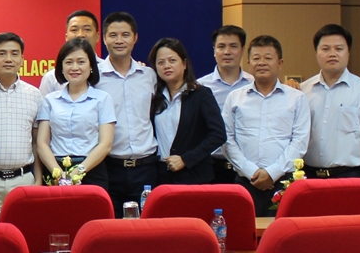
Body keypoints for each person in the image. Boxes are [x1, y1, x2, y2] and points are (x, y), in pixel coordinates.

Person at [223, 35, 311, 216]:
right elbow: (226, 139)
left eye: (268, 58)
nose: (261, 63)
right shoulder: (235, 98)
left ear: (280, 63)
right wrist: (251, 171)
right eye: (256, 58)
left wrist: (272, 173)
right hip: (245, 180)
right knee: (244, 230)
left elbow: (299, 141)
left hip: (283, 181)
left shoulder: (296, 98)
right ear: (248, 63)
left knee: (283, 230)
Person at [93, 12, 162, 211]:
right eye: (113, 35)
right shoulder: (94, 77)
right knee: (110, 224)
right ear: (104, 38)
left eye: (125, 35)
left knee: (146, 226)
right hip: (109, 166)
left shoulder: (149, 75)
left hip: (146, 168)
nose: (119, 40)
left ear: (135, 38)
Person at [300, 24, 360, 181]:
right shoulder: (303, 91)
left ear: (348, 53)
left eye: (339, 49)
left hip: (350, 174)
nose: (332, 54)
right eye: (325, 49)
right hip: (310, 175)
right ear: (317, 53)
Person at [0, 32, 42, 219]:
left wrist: (38, 180)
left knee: (26, 232)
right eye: (2, 53)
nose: (8, 59)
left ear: (22, 59)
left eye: (14, 53)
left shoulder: (34, 94)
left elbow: (37, 142)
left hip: (24, 180)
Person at [35, 38, 116, 188]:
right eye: (69, 62)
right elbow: (42, 143)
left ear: (91, 66)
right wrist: (58, 174)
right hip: (55, 171)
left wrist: (78, 172)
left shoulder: (103, 99)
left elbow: (106, 144)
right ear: (61, 67)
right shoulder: (50, 100)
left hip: (92, 170)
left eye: (81, 62)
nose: (74, 67)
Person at [149, 37, 226, 186]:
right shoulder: (154, 96)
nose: (166, 66)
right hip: (161, 176)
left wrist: (186, 159)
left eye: (172, 60)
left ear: (184, 64)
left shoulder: (201, 95)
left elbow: (218, 135)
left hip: (194, 175)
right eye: (161, 62)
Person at [197, 25, 250, 181]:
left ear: (243, 49)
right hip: (211, 166)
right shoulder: (199, 87)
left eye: (233, 46)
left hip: (249, 167)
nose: (227, 52)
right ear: (214, 50)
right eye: (221, 46)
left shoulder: (255, 84)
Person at [37, 10, 100, 94]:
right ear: (66, 37)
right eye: (74, 30)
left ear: (97, 37)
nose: (80, 34)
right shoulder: (51, 78)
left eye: (87, 29)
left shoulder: (107, 73)